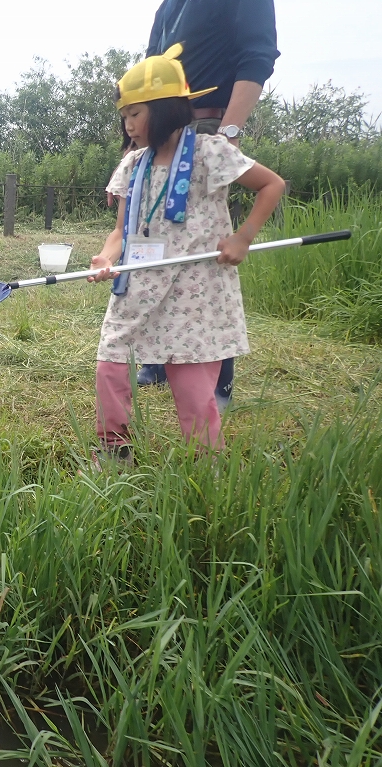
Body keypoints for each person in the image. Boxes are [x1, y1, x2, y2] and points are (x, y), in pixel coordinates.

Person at [88, 45, 285, 465]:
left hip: (195, 291)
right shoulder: (132, 165)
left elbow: (272, 185)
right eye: (124, 116)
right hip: (137, 286)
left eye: (135, 113)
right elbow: (121, 231)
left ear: (165, 109)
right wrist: (106, 257)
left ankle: (205, 467)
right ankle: (113, 450)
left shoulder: (210, 152)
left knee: (192, 387)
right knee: (111, 366)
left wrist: (243, 238)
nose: (128, 124)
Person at [136, 0, 280, 407]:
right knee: (155, 246)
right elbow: (151, 72)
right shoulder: (167, 7)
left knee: (203, 254)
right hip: (160, 132)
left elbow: (257, 54)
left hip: (208, 126)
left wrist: (227, 133)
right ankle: (160, 359)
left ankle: (219, 380)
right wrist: (136, 141)